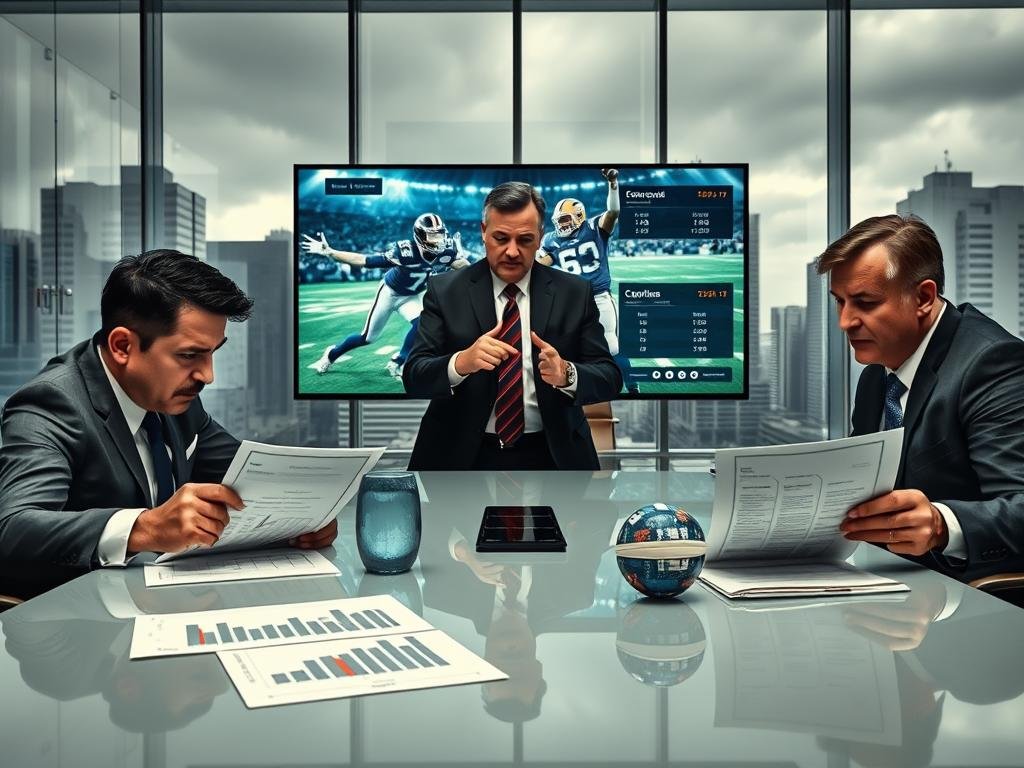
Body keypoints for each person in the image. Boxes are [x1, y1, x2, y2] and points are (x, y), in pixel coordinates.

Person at [0, 249, 336, 597]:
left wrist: (307, 515)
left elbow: (248, 474)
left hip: (162, 603)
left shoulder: (174, 396)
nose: (208, 375)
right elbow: (12, 530)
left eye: (212, 352)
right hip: (72, 623)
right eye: (189, 355)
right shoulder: (51, 403)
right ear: (122, 346)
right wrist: (145, 528)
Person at [815, 214, 1024, 582]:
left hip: (968, 602)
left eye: (865, 302)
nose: (845, 322)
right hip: (886, 584)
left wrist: (943, 525)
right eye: (840, 302)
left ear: (924, 297)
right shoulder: (875, 378)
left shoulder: (993, 363)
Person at [402, 181, 622, 471]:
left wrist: (567, 373)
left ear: (541, 237)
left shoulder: (574, 293)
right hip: (460, 454)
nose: (512, 252)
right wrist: (461, 363)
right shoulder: (445, 291)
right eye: (501, 238)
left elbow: (609, 376)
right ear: (483, 233)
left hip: (554, 453)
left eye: (526, 239)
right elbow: (414, 376)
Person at [301, 212, 470, 380]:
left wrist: (462, 261)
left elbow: (463, 267)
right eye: (432, 236)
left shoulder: (446, 252)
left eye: (440, 235)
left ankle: (397, 361)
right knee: (367, 338)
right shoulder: (405, 251)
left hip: (412, 296)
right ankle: (331, 354)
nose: (438, 240)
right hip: (390, 293)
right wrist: (331, 252)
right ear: (420, 235)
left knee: (422, 324)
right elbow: (364, 260)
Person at [536, 167, 637, 393]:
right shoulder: (552, 240)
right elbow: (538, 267)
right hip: (571, 302)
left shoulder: (593, 228)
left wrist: (613, 185)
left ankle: (633, 388)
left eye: (564, 219)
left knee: (612, 346)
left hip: (599, 297)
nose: (560, 224)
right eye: (558, 220)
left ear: (579, 216)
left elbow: (613, 212)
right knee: (568, 347)